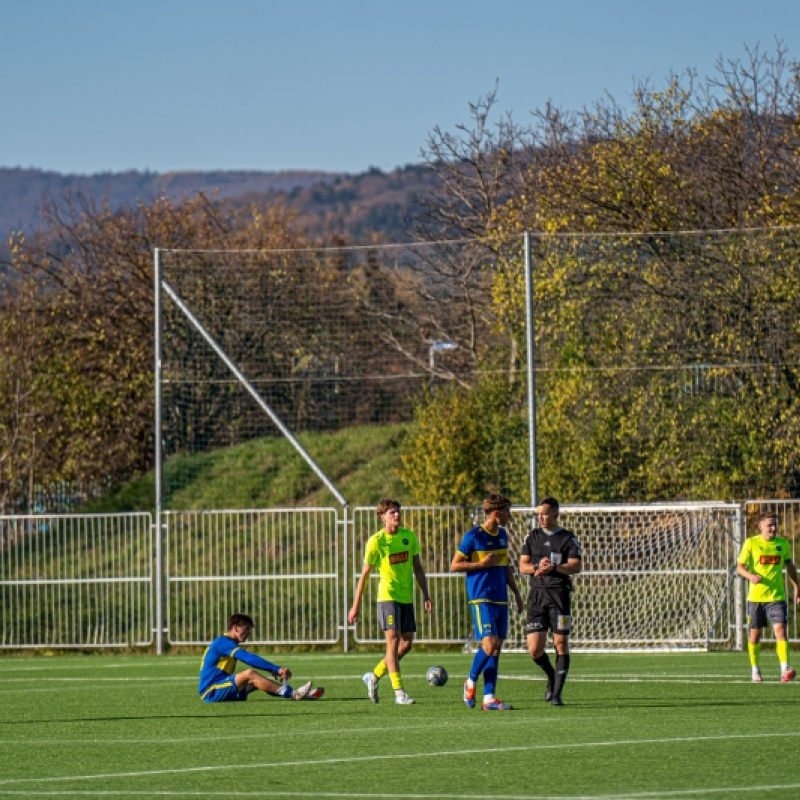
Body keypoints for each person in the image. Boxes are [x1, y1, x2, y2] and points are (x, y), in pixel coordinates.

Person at [348, 498, 433, 705]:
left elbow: (418, 568)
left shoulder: (408, 537)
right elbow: (365, 575)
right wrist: (355, 605)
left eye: (397, 511)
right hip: (387, 597)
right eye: (392, 512)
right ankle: (399, 692)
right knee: (393, 641)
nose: (396, 515)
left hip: (406, 598)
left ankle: (375, 675)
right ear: (382, 517)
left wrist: (426, 594)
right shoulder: (376, 541)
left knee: (406, 644)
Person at [451, 493, 524, 711]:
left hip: (500, 597)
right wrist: (481, 565)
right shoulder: (473, 536)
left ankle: (489, 697)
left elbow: (505, 566)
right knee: (489, 644)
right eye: (507, 512)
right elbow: (454, 565)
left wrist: (517, 594)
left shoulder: (502, 535)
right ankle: (470, 682)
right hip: (481, 596)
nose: (509, 516)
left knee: (496, 648)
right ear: (496, 513)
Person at [519, 496, 582, 706]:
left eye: (545, 513)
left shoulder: (567, 538)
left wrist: (554, 568)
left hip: (559, 596)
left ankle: (557, 694)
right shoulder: (533, 536)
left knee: (560, 643)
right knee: (534, 649)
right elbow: (522, 566)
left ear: (556, 514)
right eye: (539, 514)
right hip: (537, 597)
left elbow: (575, 565)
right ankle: (551, 675)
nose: (541, 518)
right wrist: (538, 567)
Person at [198, 612, 324, 702]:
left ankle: (297, 694)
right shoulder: (223, 642)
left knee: (259, 681)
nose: (247, 634)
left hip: (221, 686)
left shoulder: (227, 642)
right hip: (211, 690)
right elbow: (248, 658)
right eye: (246, 629)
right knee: (250, 674)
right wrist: (276, 669)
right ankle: (293, 694)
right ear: (235, 628)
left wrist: (270, 669)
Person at [736, 510, 799, 683]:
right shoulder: (751, 543)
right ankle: (755, 670)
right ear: (760, 526)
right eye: (769, 525)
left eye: (775, 525)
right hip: (756, 598)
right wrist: (750, 577)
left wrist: (796, 587)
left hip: (776, 597)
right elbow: (739, 567)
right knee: (755, 635)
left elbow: (790, 567)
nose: (773, 528)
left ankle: (784, 668)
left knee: (781, 630)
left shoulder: (782, 544)